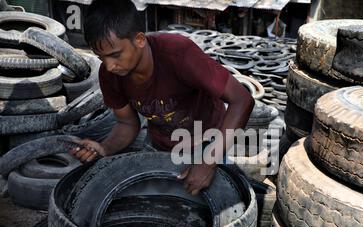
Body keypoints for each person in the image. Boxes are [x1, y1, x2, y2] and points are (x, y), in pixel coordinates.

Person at [70, 0, 255, 196]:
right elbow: (126, 124)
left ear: (139, 40)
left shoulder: (179, 54)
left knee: (217, 204)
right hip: (159, 145)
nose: (109, 66)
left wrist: (209, 162)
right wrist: (104, 147)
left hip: (208, 143)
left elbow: (242, 100)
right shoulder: (110, 75)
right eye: (101, 58)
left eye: (115, 55)